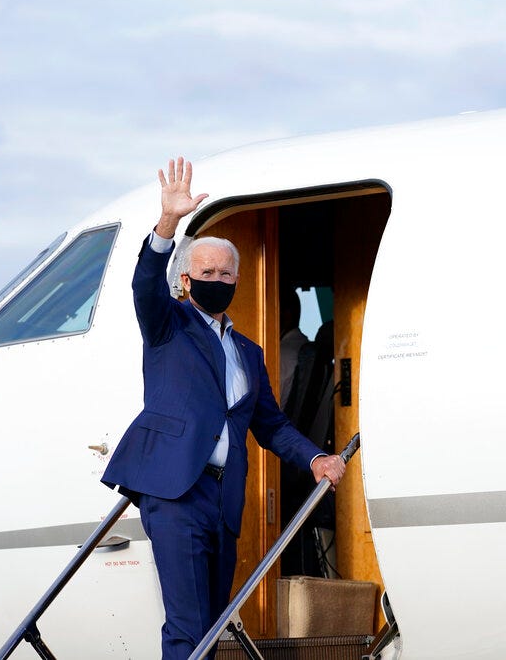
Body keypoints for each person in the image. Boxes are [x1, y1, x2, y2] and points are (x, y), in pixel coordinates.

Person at [101, 157, 346, 660]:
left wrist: (314, 459)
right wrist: (168, 223)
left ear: (237, 282)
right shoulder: (167, 325)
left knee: (211, 627)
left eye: (226, 273)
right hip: (176, 492)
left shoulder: (249, 353)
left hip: (222, 499)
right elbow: (144, 285)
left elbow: (271, 425)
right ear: (187, 281)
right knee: (189, 627)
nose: (217, 277)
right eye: (206, 271)